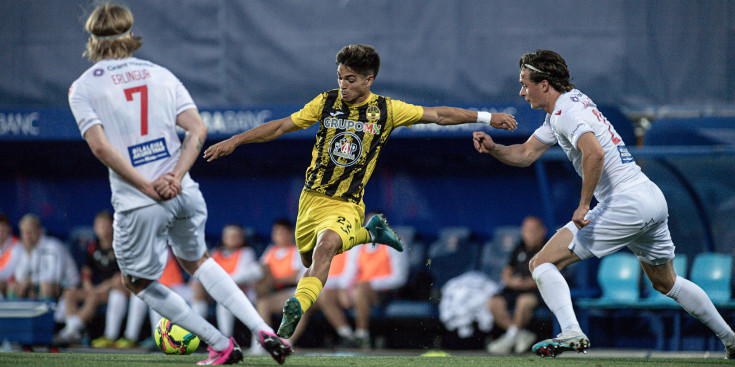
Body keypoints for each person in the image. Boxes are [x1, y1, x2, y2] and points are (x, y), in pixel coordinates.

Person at [203, 44, 518, 338]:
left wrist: (488, 117)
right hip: (311, 201)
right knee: (311, 258)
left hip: (347, 203)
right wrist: (236, 140)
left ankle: (296, 307)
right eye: (340, 77)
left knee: (325, 250)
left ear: (369, 80)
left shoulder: (386, 110)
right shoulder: (325, 102)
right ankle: (370, 233)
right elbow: (282, 126)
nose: (343, 85)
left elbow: (438, 115)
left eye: (351, 80)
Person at [472, 49, 735, 359]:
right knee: (666, 282)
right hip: (649, 197)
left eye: (525, 83)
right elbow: (526, 154)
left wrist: (584, 205)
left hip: (626, 202)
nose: (521, 91)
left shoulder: (566, 113)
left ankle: (571, 331)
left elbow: (593, 153)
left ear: (544, 85)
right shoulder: (567, 105)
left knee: (541, 263)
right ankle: (730, 338)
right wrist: (495, 148)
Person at [68, 3, 291, 364]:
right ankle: (261, 328)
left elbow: (99, 146)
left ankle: (220, 344)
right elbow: (198, 129)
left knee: (137, 282)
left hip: (140, 201)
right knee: (198, 260)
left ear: (92, 38)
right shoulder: (161, 73)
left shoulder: (82, 87)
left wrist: (146, 185)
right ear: (130, 35)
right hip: (184, 191)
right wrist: (175, 176)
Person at [321, 211, 408, 349]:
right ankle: (347, 335)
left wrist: (370, 284)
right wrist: (344, 289)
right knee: (326, 295)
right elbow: (350, 271)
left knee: (360, 289)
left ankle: (362, 336)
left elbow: (400, 278)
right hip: (358, 289)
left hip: (384, 293)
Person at [54, 211, 129, 347]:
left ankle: (69, 330)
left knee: (93, 297)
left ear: (113, 226)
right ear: (95, 228)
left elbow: (119, 277)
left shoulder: (120, 246)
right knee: (69, 293)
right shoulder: (92, 246)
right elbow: (86, 271)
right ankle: (75, 332)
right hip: (93, 288)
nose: (103, 229)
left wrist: (97, 289)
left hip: (111, 290)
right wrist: (88, 286)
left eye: (106, 226)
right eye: (100, 226)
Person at [485, 215, 547, 355]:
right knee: (493, 302)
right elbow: (506, 274)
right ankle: (518, 335)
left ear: (542, 231)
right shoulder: (519, 248)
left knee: (523, 301)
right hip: (514, 289)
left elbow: (553, 275)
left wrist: (529, 283)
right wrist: (512, 281)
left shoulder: (548, 248)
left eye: (533, 230)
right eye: (526, 230)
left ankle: (509, 338)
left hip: (537, 290)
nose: (529, 234)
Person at [191, 223, 263, 339]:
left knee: (224, 295)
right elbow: (204, 272)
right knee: (198, 289)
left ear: (242, 238)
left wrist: (217, 282)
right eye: (229, 236)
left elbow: (241, 278)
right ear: (224, 238)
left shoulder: (246, 252)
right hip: (215, 289)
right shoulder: (216, 253)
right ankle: (195, 334)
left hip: (239, 292)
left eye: (236, 236)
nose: (232, 239)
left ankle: (226, 338)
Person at [254, 219, 307, 351]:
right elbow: (261, 271)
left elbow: (295, 277)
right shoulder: (270, 251)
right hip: (275, 292)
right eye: (277, 233)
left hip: (293, 290)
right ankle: (265, 341)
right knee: (262, 303)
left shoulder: (297, 251)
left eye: (284, 233)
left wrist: (273, 280)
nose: (281, 236)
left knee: (299, 304)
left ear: (291, 234)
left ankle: (286, 342)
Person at [10, 214, 79, 301]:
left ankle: (48, 314)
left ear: (39, 231)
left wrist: (31, 281)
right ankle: (18, 313)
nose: (27, 236)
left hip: (69, 286)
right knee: (14, 286)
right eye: (24, 232)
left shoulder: (53, 246)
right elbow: (19, 276)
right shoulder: (28, 248)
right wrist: (28, 253)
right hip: (41, 283)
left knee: (45, 286)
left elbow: (55, 277)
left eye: (30, 232)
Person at [0, 214, 20, 299]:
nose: (0, 233)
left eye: (3, 230)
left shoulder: (17, 246)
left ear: (9, 229)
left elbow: (8, 272)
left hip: (11, 284)